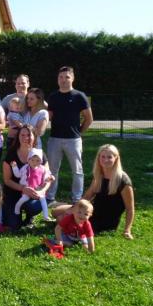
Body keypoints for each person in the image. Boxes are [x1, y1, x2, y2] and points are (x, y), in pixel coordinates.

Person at [52, 144, 135, 238]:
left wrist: (127, 230)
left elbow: (130, 208)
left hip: (105, 219)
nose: (105, 160)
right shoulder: (99, 175)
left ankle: (71, 224)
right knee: (55, 211)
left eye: (109, 157)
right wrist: (75, 209)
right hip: (92, 210)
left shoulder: (123, 180)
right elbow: (87, 196)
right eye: (103, 156)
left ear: (116, 158)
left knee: (60, 218)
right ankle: (69, 220)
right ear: (98, 158)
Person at [46, 66, 93, 205]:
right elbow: (48, 117)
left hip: (73, 140)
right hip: (55, 139)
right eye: (61, 77)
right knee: (52, 171)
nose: (64, 80)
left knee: (77, 171)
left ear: (72, 78)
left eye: (67, 77)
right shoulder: (53, 96)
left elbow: (89, 118)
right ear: (57, 79)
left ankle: (77, 199)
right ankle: (50, 197)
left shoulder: (79, 96)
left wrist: (78, 133)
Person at [1, 125, 52, 231]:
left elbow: (47, 177)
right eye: (22, 135)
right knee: (13, 226)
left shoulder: (40, 154)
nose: (25, 138)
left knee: (34, 207)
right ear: (18, 137)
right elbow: (7, 180)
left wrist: (42, 190)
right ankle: (16, 215)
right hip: (13, 192)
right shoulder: (11, 154)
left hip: (34, 192)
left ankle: (30, 217)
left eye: (29, 135)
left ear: (34, 137)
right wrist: (23, 189)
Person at [10, 148, 54, 221]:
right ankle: (16, 209)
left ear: (41, 161)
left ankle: (46, 216)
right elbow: (17, 175)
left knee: (43, 200)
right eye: (32, 160)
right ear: (28, 160)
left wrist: (51, 178)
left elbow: (46, 178)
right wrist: (14, 167)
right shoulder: (25, 168)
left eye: (37, 160)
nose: (34, 162)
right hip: (27, 189)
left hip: (37, 190)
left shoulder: (43, 169)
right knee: (23, 199)